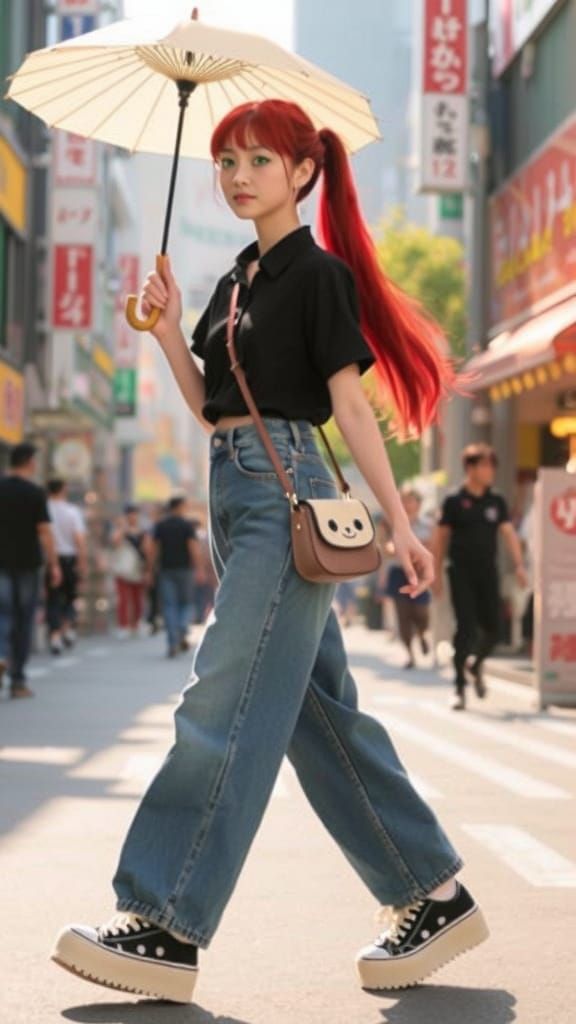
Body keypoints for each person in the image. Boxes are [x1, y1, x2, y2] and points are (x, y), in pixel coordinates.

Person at [52, 100, 488, 1002]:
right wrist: (167, 329)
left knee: (220, 696)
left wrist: (398, 523)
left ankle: (165, 920)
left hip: (286, 494)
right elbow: (215, 402)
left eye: (258, 159)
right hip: (239, 487)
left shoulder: (319, 276)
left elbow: (349, 406)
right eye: (225, 161)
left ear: (303, 172)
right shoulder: (236, 280)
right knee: (314, 715)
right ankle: (432, 892)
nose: (238, 174)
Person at [432, 444, 528, 711]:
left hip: (488, 572)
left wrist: (520, 565)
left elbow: (509, 533)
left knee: (494, 629)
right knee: (465, 628)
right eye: (485, 465)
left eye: (492, 465)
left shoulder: (496, 501)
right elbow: (440, 538)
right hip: (460, 572)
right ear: (471, 468)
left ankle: (475, 665)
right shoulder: (453, 501)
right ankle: (459, 687)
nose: (490, 471)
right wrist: (435, 573)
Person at [0, 443, 61, 697]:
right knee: (24, 620)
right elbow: (44, 532)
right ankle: (17, 681)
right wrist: (54, 564)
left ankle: (1, 654)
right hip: (28, 563)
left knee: (2, 614)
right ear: (28, 462)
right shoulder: (35, 492)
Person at [147, 496, 205, 657]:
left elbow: (153, 550)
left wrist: (149, 571)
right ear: (179, 507)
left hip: (165, 570)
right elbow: (193, 549)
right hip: (185, 570)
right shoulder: (186, 526)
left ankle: (173, 642)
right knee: (186, 604)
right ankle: (182, 629)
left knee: (169, 605)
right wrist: (199, 569)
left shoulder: (160, 526)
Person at [383, 489, 432, 669]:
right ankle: (410, 655)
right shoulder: (392, 523)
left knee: (421, 611)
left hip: (418, 572)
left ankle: (422, 633)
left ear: (418, 504)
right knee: (403, 616)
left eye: (411, 501)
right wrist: (392, 548)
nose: (407, 504)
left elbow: (430, 544)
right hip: (399, 572)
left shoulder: (427, 525)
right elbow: (387, 545)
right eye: (404, 501)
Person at [45, 479, 88, 655]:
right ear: (63, 490)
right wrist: (82, 562)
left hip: (49, 558)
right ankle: (66, 629)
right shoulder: (72, 512)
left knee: (53, 598)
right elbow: (79, 539)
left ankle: (55, 636)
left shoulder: (44, 508)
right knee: (70, 597)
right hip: (69, 559)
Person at [110, 505, 147, 637]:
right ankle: (123, 625)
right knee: (123, 599)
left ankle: (135, 624)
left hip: (137, 568)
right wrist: (123, 528)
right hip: (122, 569)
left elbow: (147, 549)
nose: (133, 517)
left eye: (135, 514)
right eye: (130, 514)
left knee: (138, 598)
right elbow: (114, 542)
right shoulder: (121, 530)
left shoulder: (143, 531)